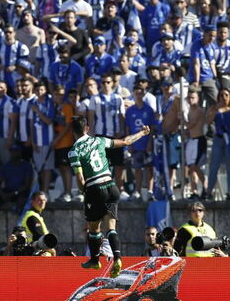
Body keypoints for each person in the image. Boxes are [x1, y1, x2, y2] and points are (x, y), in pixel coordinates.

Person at [69, 115, 150, 277]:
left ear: (72, 131)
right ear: (87, 128)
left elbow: (80, 178)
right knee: (111, 227)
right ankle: (118, 258)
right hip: (112, 187)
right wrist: (142, 133)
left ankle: (94, 259)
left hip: (95, 187)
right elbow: (125, 142)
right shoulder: (99, 141)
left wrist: (83, 191)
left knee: (93, 228)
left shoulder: (74, 151)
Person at [19, 191, 55, 256]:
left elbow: (30, 235)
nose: (42, 202)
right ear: (32, 202)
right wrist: (52, 250)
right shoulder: (32, 217)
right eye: (39, 200)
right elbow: (39, 237)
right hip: (36, 252)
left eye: (44, 200)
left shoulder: (35, 215)